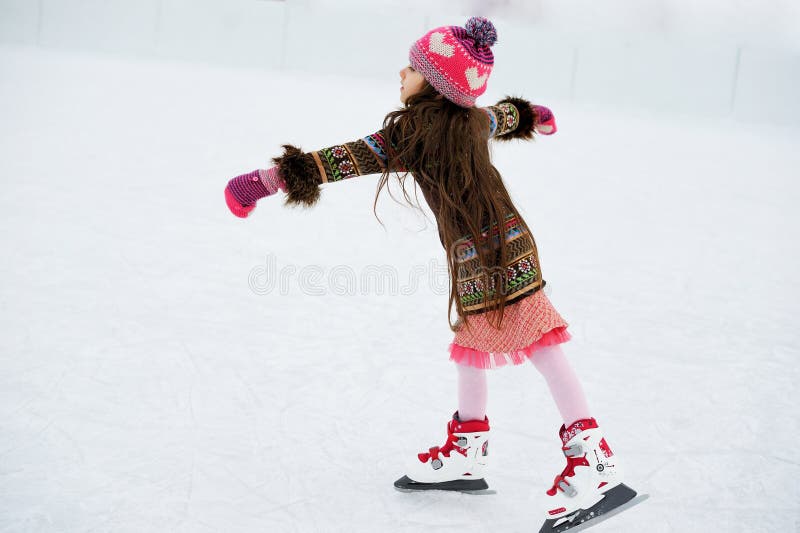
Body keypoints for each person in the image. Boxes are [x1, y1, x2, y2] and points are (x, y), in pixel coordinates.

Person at [224, 16, 637, 531]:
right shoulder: (470, 120)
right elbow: (504, 116)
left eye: (415, 67)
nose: (403, 72)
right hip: (490, 250)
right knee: (473, 340)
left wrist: (261, 182)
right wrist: (536, 115)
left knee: (542, 344)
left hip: (492, 253)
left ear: (437, 84)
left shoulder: (412, 134)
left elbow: (344, 159)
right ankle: (468, 448)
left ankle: (594, 461)